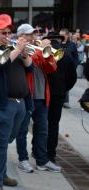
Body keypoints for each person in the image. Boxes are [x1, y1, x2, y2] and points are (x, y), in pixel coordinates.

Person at [0, 14, 33, 190]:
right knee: (1, 141)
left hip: (20, 103)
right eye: (3, 32)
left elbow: (29, 67)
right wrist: (17, 49)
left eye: (9, 32)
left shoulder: (12, 48)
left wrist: (24, 54)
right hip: (1, 103)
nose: (7, 36)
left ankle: (1, 174)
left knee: (8, 139)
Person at [14, 24, 61, 173]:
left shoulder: (38, 49)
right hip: (27, 95)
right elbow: (30, 64)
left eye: (33, 34)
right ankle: (23, 159)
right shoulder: (18, 48)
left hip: (41, 95)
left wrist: (48, 54)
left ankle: (42, 161)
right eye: (28, 35)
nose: (32, 37)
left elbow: (52, 68)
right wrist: (42, 50)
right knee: (22, 130)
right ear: (20, 36)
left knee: (42, 130)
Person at [44, 32, 77, 162]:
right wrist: (64, 89)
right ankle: (51, 155)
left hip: (42, 93)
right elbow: (73, 77)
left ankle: (37, 151)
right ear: (59, 39)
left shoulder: (43, 52)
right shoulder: (67, 54)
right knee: (53, 124)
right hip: (58, 94)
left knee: (40, 123)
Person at [59, 28, 79, 108]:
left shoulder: (72, 45)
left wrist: (74, 66)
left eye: (62, 35)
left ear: (67, 35)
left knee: (66, 84)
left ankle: (66, 101)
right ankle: (60, 100)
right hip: (59, 68)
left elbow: (76, 57)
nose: (60, 37)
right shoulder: (58, 43)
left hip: (68, 68)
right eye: (60, 35)